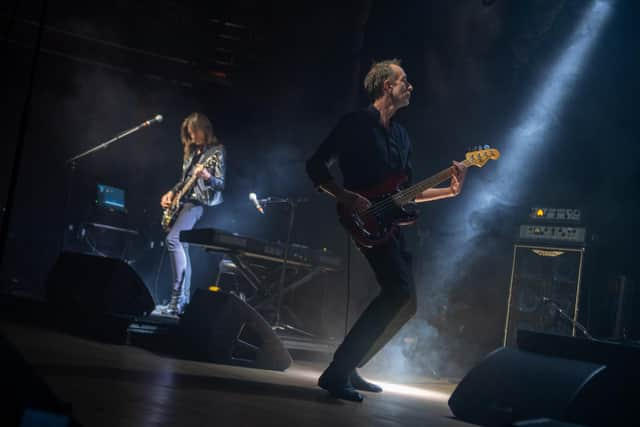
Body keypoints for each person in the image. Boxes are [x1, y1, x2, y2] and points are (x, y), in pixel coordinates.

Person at [306, 59, 467, 401]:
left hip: (390, 223)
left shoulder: (401, 136)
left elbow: (408, 192)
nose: (411, 86)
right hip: (362, 219)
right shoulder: (355, 124)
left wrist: (450, 191)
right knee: (398, 291)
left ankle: (348, 366)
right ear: (386, 86)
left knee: (407, 303)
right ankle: (337, 372)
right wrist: (344, 195)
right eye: (404, 80)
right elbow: (316, 164)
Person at [157, 112, 226, 316]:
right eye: (189, 133)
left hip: (197, 204)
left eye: (194, 132)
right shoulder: (193, 153)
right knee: (182, 248)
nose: (192, 137)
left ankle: (177, 301)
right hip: (183, 202)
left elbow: (221, 184)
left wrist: (207, 176)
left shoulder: (217, 151)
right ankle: (180, 302)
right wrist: (171, 193)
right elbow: (183, 180)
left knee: (173, 241)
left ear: (204, 130)